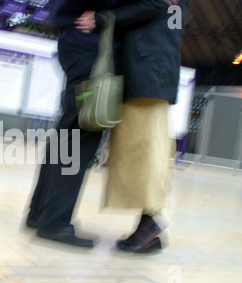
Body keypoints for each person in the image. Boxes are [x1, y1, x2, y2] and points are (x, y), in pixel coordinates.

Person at [24, 0, 182, 248]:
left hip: (83, 43)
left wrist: (104, 17)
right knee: (80, 134)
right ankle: (54, 221)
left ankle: (41, 214)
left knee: (69, 133)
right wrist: (104, 17)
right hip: (91, 47)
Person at [74, 0, 188, 253]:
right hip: (150, 66)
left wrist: (102, 19)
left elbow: (155, 3)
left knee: (144, 150)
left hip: (148, 68)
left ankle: (149, 224)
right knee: (142, 149)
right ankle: (148, 225)